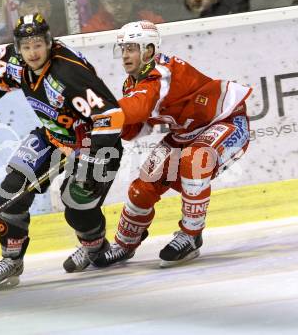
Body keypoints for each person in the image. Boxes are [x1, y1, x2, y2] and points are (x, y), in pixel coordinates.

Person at [0, 13, 125, 289]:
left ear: (49, 42)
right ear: (18, 47)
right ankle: (12, 260)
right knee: (10, 191)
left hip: (94, 144)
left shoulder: (68, 72)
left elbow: (111, 116)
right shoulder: (12, 59)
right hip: (52, 136)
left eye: (38, 44)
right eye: (26, 46)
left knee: (76, 205)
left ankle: (95, 248)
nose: (32, 52)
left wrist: (93, 158)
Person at [91, 20, 252, 268]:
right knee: (142, 187)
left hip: (227, 121)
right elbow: (136, 126)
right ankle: (124, 244)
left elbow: (138, 108)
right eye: (123, 48)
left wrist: (102, 116)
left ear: (149, 50)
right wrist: (108, 128)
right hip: (185, 133)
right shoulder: (133, 81)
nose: (125, 55)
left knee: (193, 161)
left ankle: (191, 235)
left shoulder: (161, 73)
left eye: (132, 48)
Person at [81, 0, 164, 33]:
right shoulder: (95, 26)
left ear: (132, 0)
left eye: (124, 1)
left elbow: (165, 31)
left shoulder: (146, 18)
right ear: (103, 4)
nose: (119, 7)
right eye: (113, 2)